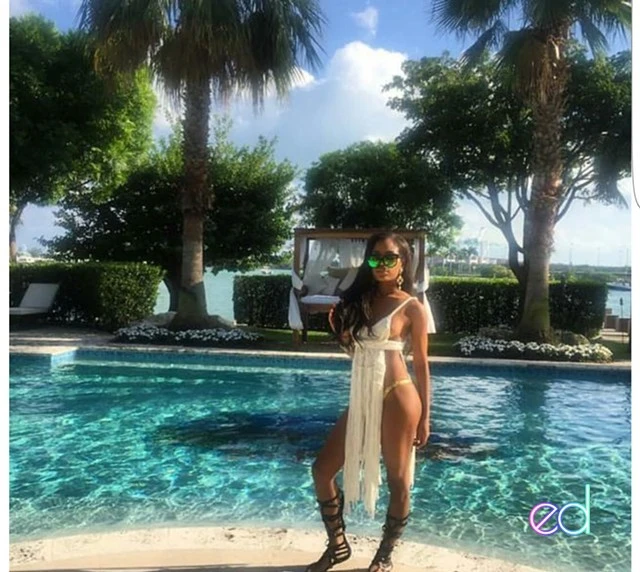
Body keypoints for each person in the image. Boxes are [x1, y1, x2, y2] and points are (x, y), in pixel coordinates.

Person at [305, 231, 432, 572]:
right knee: (322, 470)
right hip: (363, 394)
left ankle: (384, 556)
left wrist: (426, 417)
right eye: (375, 258)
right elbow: (353, 348)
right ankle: (337, 546)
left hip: (398, 395)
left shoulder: (412, 307)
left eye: (389, 257)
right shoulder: (359, 302)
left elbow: (421, 364)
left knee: (398, 479)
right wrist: (342, 330)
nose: (381, 264)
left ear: (403, 262)